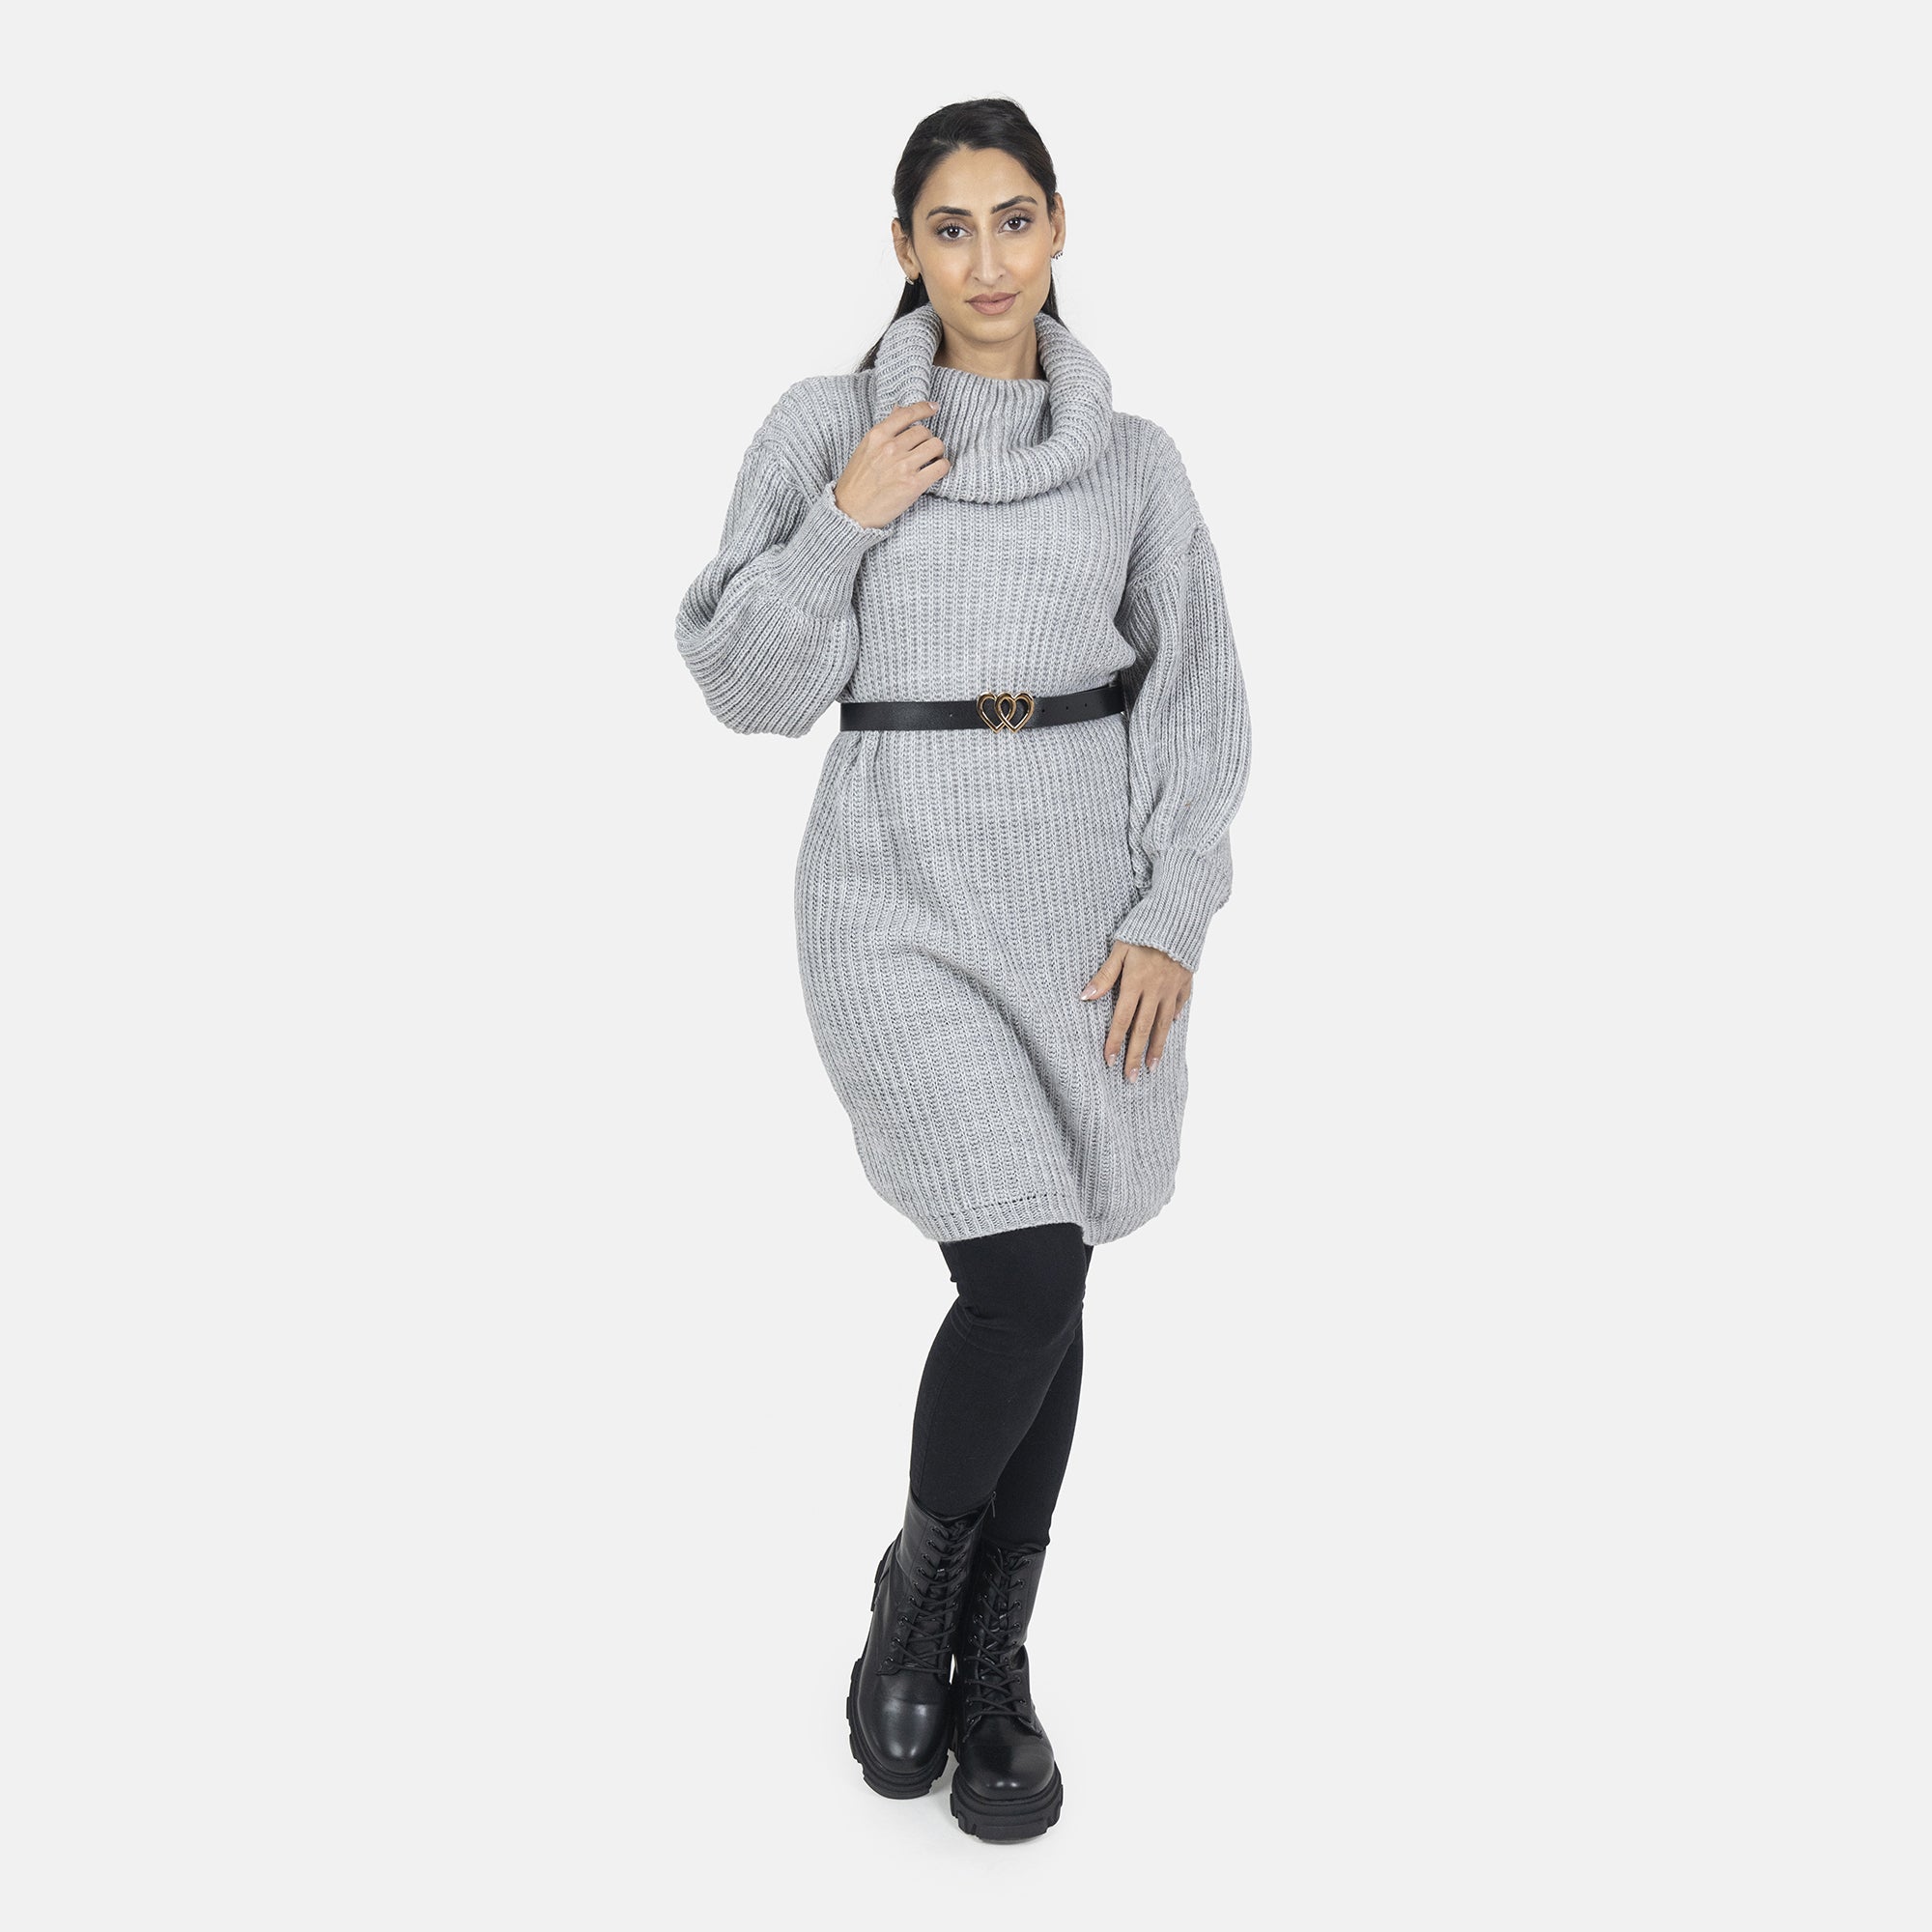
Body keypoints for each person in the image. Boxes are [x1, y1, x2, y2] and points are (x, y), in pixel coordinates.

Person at [673, 99, 1252, 1841]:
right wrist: (842, 524)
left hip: (1081, 917)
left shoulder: (1137, 461)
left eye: (1014, 221)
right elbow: (746, 686)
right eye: (949, 226)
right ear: (904, 247)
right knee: (1021, 1269)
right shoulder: (827, 423)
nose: (986, 260)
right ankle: (917, 1601)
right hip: (893, 899)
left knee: (1054, 1277)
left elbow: (1199, 700)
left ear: (1059, 230)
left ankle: (995, 1660)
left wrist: (1172, 909)